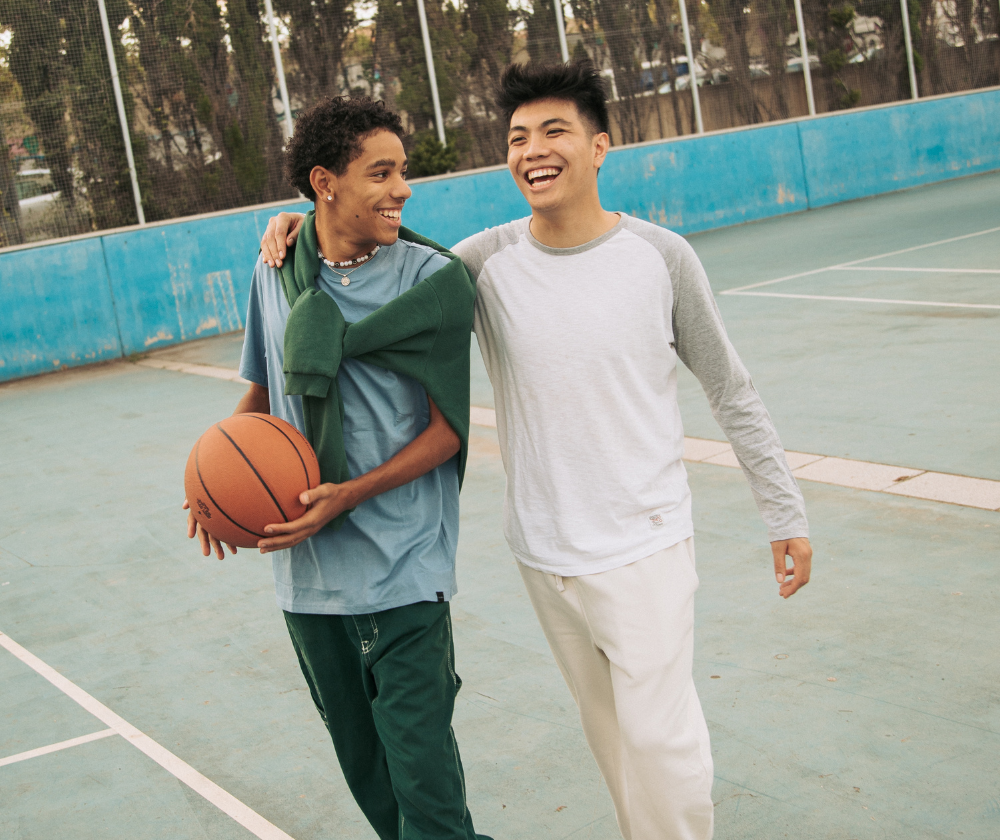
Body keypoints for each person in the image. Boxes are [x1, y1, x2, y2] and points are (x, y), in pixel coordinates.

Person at [260, 63, 812, 840]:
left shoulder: (661, 256)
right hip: (544, 553)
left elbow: (732, 389)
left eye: (554, 132)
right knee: (614, 745)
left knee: (663, 745)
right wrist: (294, 231)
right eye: (518, 137)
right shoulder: (480, 264)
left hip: (645, 543)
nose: (533, 150)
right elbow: (374, 249)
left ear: (600, 146)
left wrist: (783, 511)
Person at [186, 95, 492, 840]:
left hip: (406, 565)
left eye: (403, 172)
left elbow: (448, 432)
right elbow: (262, 397)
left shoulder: (433, 281)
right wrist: (204, 485)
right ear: (325, 183)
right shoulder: (277, 269)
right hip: (307, 574)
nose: (402, 190)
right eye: (380, 173)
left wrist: (349, 493)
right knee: (374, 786)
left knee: (426, 790)